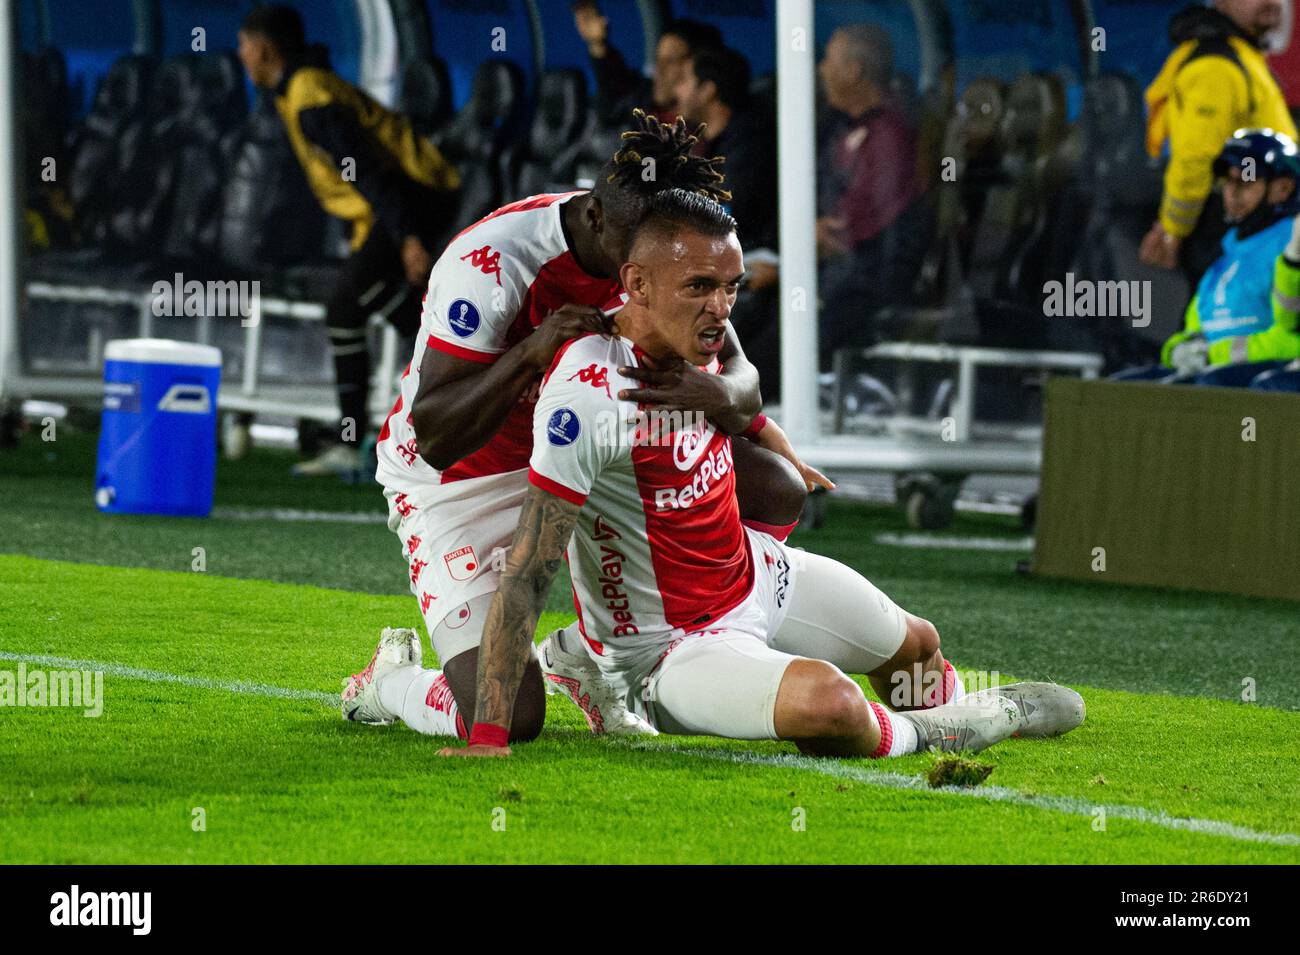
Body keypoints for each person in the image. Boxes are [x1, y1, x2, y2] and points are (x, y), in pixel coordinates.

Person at [421, 188, 1084, 758]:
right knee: (832, 705)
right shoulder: (589, 391)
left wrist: (758, 422)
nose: (721, 306)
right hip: (668, 650)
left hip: (752, 576)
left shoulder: (699, 331)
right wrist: (488, 737)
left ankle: (939, 709)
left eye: (732, 284)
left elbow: (745, 388)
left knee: (918, 647)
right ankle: (945, 733)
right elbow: (532, 567)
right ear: (638, 283)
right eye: (701, 287)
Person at [342, 113, 825, 744]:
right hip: (462, 480)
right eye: (632, 253)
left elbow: (740, 377)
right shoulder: (491, 262)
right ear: (595, 216)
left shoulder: (662, 258)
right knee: (511, 717)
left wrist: (731, 405)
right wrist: (531, 353)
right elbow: (435, 437)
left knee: (777, 489)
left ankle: (598, 651)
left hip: (591, 458)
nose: (639, 276)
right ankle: (390, 684)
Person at [237, 5, 461, 478]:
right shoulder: (299, 89)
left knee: (344, 307)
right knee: (380, 305)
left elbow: (369, 170)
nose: (241, 57)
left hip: (411, 194)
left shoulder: (309, 95)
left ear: (264, 49)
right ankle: (448, 369)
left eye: (244, 47)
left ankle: (352, 440)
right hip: (400, 201)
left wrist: (408, 238)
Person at [1117, 129, 1300, 382]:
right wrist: (1178, 350)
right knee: (1126, 387)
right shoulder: (1226, 255)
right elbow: (1195, 328)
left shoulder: (1292, 242)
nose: (1233, 193)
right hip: (1216, 373)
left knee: (1208, 384)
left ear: (1283, 188)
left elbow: (1292, 337)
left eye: (1246, 182)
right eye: (1229, 181)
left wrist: (1215, 355)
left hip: (1265, 380)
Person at [1139, 0, 1297, 284]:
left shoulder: (1241, 54)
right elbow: (1194, 157)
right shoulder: (1216, 65)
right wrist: (1173, 230)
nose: (1272, 2)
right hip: (1230, 229)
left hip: (1258, 227)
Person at [816, 24, 929, 364]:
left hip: (871, 281)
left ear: (854, 71)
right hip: (842, 274)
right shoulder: (840, 129)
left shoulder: (889, 137)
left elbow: (846, 231)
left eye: (828, 59)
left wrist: (811, 239)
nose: (821, 68)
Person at [572, 3, 722, 126]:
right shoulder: (644, 103)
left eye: (670, 61)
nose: (659, 69)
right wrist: (599, 45)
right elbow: (615, 86)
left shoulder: (713, 134)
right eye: (658, 60)